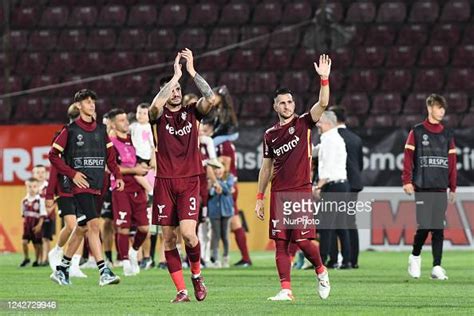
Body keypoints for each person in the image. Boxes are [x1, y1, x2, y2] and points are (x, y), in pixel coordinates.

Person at [255, 55, 331, 301]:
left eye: (290, 102)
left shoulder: (304, 123)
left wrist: (324, 79)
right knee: (280, 242)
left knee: (302, 240)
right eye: (282, 103)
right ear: (275, 107)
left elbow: (323, 103)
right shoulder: (269, 135)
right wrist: (259, 197)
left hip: (300, 189)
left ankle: (321, 270)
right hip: (278, 192)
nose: (287, 106)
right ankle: (286, 289)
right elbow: (265, 168)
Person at [149, 49, 216, 303]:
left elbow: (210, 98)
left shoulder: (191, 112)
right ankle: (181, 291)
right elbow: (155, 105)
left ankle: (197, 276)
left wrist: (191, 73)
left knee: (188, 234)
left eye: (178, 89)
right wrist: (174, 77)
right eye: (171, 89)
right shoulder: (157, 116)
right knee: (168, 239)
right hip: (164, 182)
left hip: (189, 181)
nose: (176, 92)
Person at [49, 89, 124, 286]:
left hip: (97, 184)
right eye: (87, 102)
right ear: (78, 106)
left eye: (93, 101)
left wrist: (118, 175)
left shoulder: (101, 130)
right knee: (94, 225)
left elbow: (110, 157)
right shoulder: (70, 130)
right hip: (79, 186)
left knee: (82, 228)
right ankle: (104, 271)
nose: (91, 104)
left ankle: (62, 269)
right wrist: (72, 174)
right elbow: (53, 155)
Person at [403, 94, 457, 280]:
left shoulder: (447, 134)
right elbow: (408, 159)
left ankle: (437, 266)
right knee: (425, 226)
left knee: (439, 228)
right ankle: (415, 256)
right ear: (430, 108)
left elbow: (451, 162)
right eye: (439, 107)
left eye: (443, 108)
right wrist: (407, 181)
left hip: (440, 187)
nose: (442, 111)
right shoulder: (417, 131)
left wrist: (453, 187)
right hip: (423, 186)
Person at [108, 108, 151, 276]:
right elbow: (113, 168)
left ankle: (134, 252)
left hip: (137, 187)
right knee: (123, 228)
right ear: (113, 124)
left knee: (144, 228)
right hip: (121, 187)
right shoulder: (111, 143)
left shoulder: (133, 140)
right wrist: (135, 170)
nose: (126, 123)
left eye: (126, 119)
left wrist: (144, 167)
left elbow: (141, 160)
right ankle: (125, 260)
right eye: (121, 120)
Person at [47, 103, 87, 278]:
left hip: (83, 186)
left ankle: (75, 265)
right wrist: (49, 193)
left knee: (83, 225)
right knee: (72, 225)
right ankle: (56, 251)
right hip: (64, 187)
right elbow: (54, 167)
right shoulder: (61, 137)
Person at [314, 111, 352, 269]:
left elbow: (327, 168)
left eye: (320, 121)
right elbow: (315, 151)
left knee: (326, 225)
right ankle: (346, 260)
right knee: (340, 225)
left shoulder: (330, 140)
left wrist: (318, 186)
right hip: (341, 185)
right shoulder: (333, 139)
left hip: (333, 186)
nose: (318, 124)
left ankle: (322, 260)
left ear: (329, 123)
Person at [329, 106, 363, 268]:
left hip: (339, 184)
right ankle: (353, 260)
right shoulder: (355, 138)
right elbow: (360, 165)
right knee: (350, 222)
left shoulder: (332, 137)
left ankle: (336, 259)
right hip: (355, 184)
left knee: (335, 223)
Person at [208, 166, 235, 268]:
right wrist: (218, 186)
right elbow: (210, 192)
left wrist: (217, 184)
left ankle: (225, 257)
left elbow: (228, 189)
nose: (218, 171)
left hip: (226, 210)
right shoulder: (209, 178)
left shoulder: (229, 177)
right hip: (214, 211)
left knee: (225, 235)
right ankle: (215, 259)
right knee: (216, 235)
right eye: (216, 168)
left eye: (220, 168)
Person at [19, 177, 47, 267]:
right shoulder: (24, 201)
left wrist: (39, 225)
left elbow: (42, 214)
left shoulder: (40, 200)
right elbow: (23, 215)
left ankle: (37, 260)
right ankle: (26, 258)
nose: (32, 189)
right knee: (24, 242)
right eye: (29, 187)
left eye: (34, 186)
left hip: (36, 225)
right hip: (27, 226)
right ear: (26, 187)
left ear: (38, 187)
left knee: (37, 244)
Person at [129, 103, 155, 200]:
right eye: (139, 112)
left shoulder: (149, 128)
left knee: (137, 175)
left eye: (144, 113)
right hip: (135, 155)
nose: (141, 115)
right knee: (138, 176)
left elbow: (153, 145)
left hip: (145, 156)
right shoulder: (133, 126)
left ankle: (150, 190)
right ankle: (147, 195)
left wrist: (153, 158)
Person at [32, 164, 52, 266]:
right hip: (36, 216)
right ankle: (39, 259)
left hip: (48, 216)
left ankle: (45, 259)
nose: (40, 175)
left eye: (42, 172)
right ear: (33, 174)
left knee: (46, 237)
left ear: (46, 174)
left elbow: (55, 199)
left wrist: (50, 209)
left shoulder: (48, 185)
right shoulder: (32, 187)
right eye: (37, 172)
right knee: (37, 238)